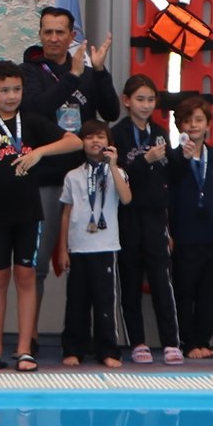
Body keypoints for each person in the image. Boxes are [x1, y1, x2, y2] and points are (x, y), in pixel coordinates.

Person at [0, 60, 82, 373]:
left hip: (30, 213)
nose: (11, 96)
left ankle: (24, 349)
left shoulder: (31, 122)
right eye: (4, 90)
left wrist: (39, 152)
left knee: (27, 277)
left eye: (16, 89)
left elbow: (75, 141)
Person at [20, 7, 119, 333]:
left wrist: (100, 72)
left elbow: (111, 111)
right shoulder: (30, 71)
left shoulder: (87, 71)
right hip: (46, 179)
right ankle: (29, 340)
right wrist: (73, 77)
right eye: (47, 31)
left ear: (71, 36)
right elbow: (36, 108)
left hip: (87, 180)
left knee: (89, 261)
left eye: (60, 32)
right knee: (38, 266)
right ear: (39, 35)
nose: (53, 38)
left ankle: (85, 339)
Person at [111, 74, 182, 365]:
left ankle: (170, 342)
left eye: (150, 99)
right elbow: (120, 174)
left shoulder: (161, 132)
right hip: (127, 216)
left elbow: (173, 174)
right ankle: (137, 341)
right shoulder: (118, 134)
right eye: (140, 99)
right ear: (126, 101)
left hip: (155, 216)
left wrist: (182, 156)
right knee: (129, 279)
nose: (145, 105)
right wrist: (145, 160)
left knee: (161, 280)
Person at [56, 121, 131, 368]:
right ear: (82, 142)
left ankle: (108, 349)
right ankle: (74, 348)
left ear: (109, 142)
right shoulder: (72, 176)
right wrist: (62, 249)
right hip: (77, 247)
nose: (95, 141)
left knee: (104, 302)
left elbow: (127, 198)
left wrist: (113, 166)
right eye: (89, 137)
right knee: (76, 302)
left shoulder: (116, 172)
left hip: (106, 247)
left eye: (100, 137)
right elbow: (66, 213)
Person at [167, 95, 213, 360]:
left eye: (199, 120)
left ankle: (203, 340)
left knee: (210, 294)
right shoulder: (173, 159)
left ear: (208, 126)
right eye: (187, 120)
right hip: (185, 238)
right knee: (185, 292)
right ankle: (188, 342)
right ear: (180, 126)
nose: (193, 125)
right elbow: (166, 197)